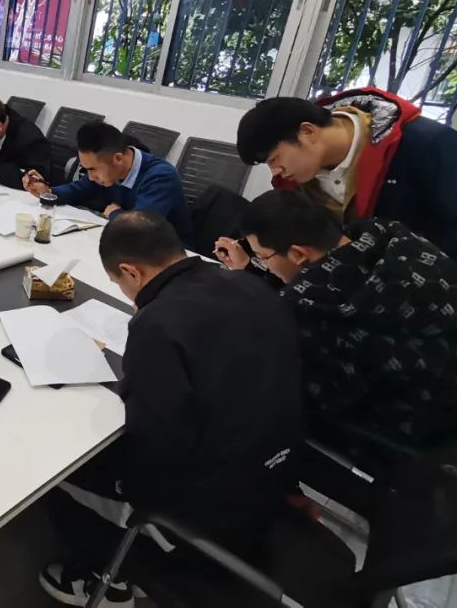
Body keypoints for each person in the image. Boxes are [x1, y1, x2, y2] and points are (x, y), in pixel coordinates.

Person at [40, 211, 301, 607]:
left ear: (131, 271)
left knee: (62, 466)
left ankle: (109, 578)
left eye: (118, 283)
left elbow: (155, 443)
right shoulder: (251, 284)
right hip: (278, 470)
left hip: (212, 503)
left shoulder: (158, 324)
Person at [239, 189, 457, 456]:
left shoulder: (309, 312)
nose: (266, 266)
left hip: (432, 435)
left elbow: (323, 399)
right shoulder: (396, 238)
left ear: (298, 253)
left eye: (263, 258)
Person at [218, 90, 457, 274]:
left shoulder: (425, 146)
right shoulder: (298, 180)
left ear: (308, 132)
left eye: (275, 158)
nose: (276, 171)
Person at [24, 122, 192, 243]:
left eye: (93, 169)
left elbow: (140, 229)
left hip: (166, 253)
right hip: (123, 243)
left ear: (118, 158)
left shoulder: (160, 177)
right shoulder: (109, 169)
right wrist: (49, 192)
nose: (91, 177)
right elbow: (79, 189)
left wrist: (114, 214)